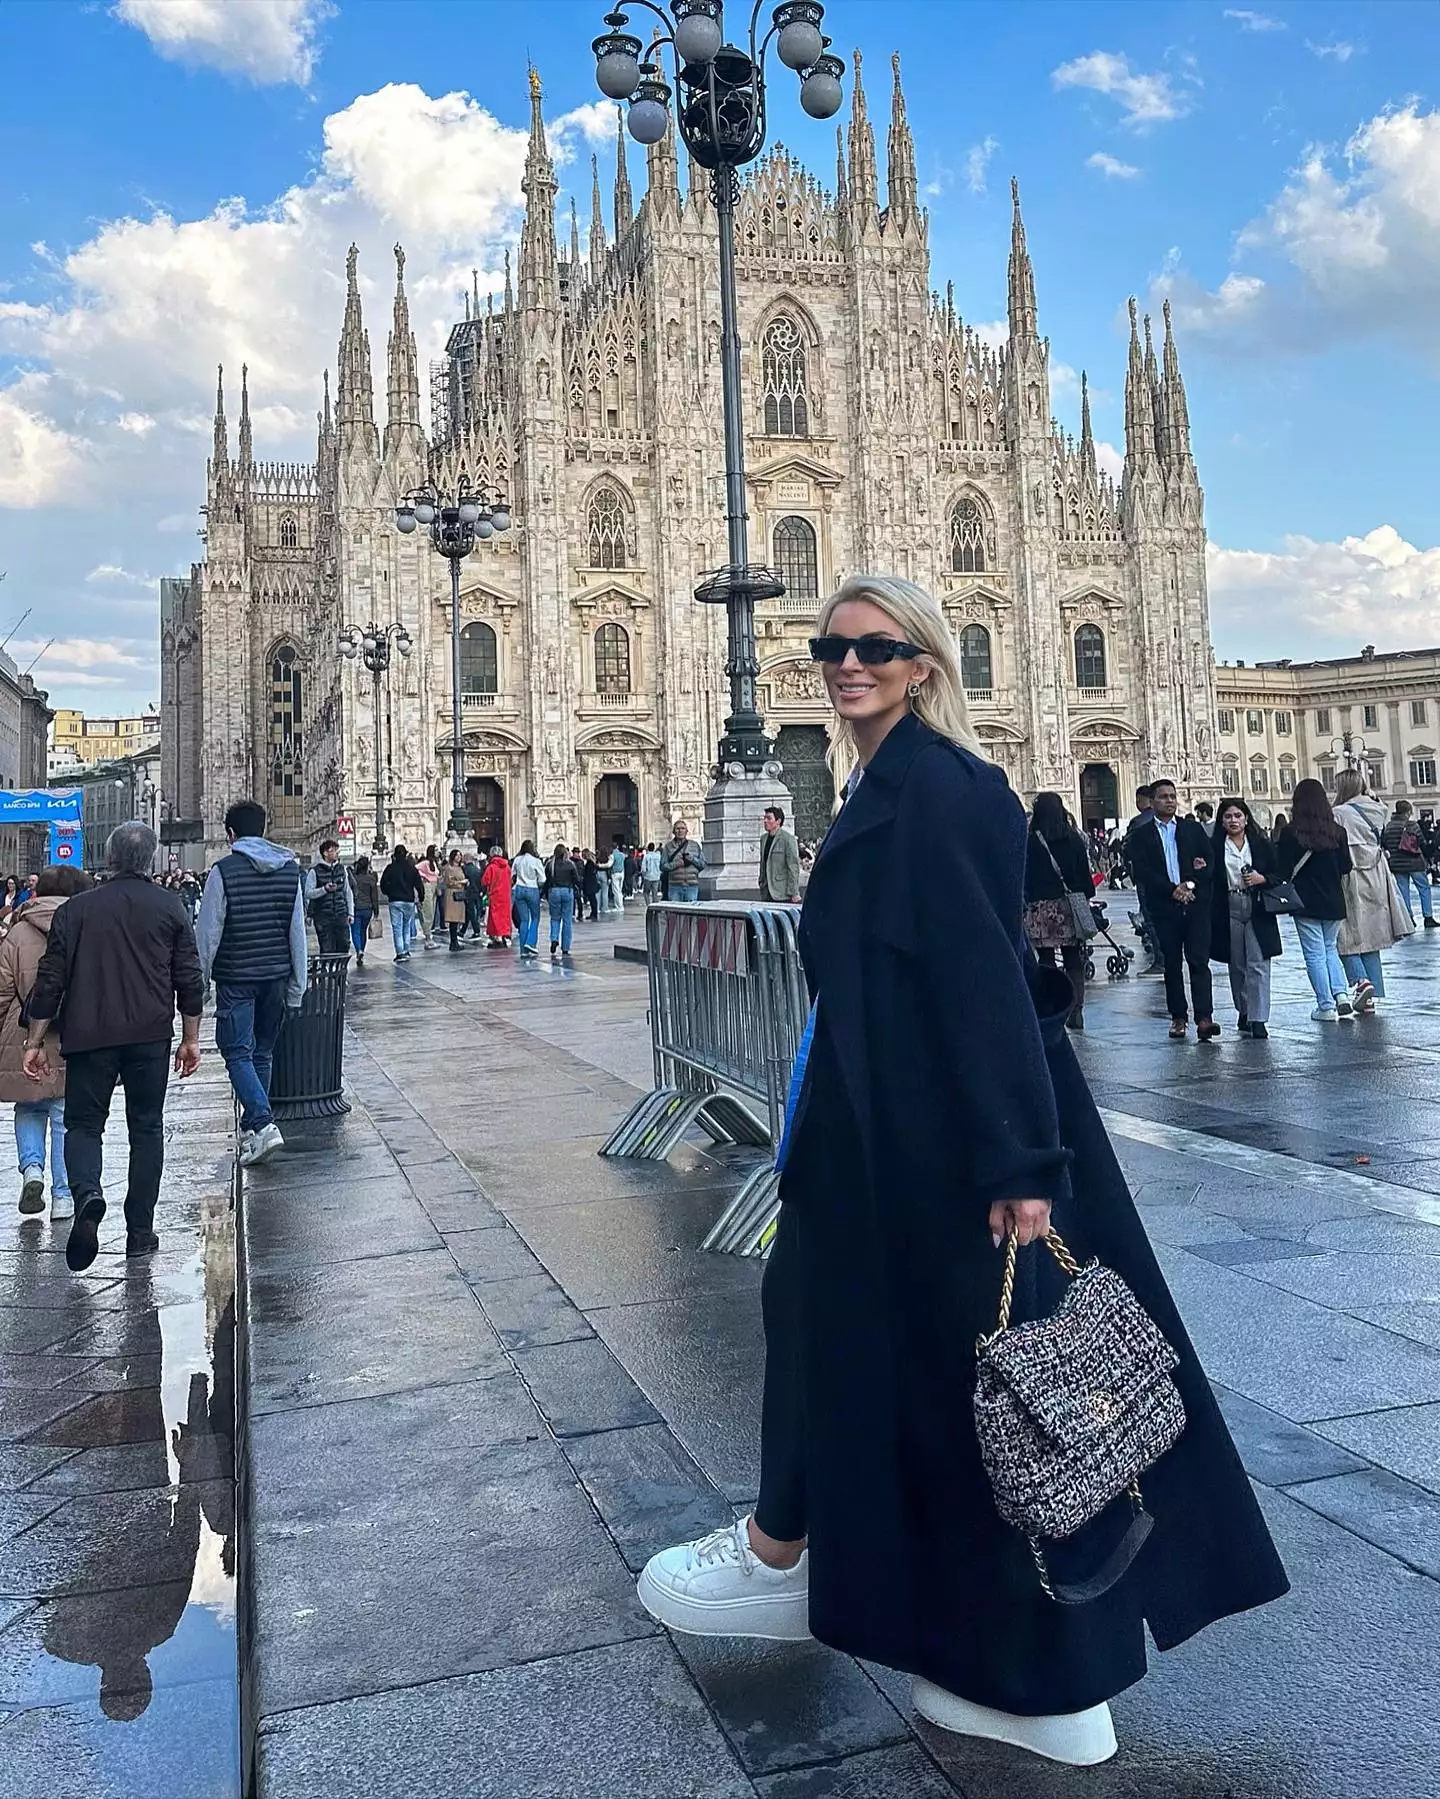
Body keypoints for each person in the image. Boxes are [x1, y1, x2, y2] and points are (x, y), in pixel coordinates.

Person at [637, 574, 1288, 1766]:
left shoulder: (940, 788)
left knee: (998, 1392)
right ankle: (818, 1557)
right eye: (832, 647)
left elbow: (989, 979)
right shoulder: (902, 781)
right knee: (864, 1344)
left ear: (923, 663)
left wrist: (1019, 1160)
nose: (848, 663)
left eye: (874, 646)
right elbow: (1023, 953)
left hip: (942, 1144)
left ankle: (1023, 1666)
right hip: (889, 1132)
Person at [24, 822, 205, 1270]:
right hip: (150, 1034)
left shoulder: (75, 910)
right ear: (150, 859)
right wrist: (191, 1038)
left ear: (109, 858)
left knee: (83, 1126)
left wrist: (35, 1040)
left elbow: (51, 979)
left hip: (90, 1035)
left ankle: (88, 1194)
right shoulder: (169, 905)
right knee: (146, 1128)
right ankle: (140, 1232)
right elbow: (189, 977)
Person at [196, 800, 308, 1168]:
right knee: (262, 1052)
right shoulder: (289, 871)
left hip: (237, 978)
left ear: (230, 834)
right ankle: (253, 1132)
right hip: (276, 978)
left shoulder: (223, 872)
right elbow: (297, 934)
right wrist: (298, 986)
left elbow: (208, 934)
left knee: (236, 1052)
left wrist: (201, 984)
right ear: (263, 828)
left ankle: (262, 1122)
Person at [0, 865, 94, 1220]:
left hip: (23, 1032)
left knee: (28, 1107)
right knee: (63, 1115)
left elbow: (2, 989)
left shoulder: (18, 931)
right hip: (71, 1028)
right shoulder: (84, 926)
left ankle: (32, 1170)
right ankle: (62, 1197)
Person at [1126, 779, 1217, 1040]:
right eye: (1163, 796)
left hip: (1194, 905)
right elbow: (1142, 871)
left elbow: (1209, 861)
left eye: (1172, 796)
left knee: (1199, 961)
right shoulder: (1141, 835)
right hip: (1164, 907)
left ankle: (1204, 1018)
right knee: (1172, 965)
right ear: (1152, 801)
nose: (1170, 801)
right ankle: (1178, 1017)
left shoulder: (1192, 829)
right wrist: (1171, 889)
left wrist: (1190, 885)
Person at [1275, 780, 1354, 1021]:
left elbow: (1282, 869)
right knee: (1330, 949)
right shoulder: (1337, 832)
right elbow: (1346, 866)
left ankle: (1326, 1005)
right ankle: (1342, 995)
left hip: (1305, 901)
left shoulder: (1291, 833)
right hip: (1333, 899)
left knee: (1314, 954)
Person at [1333, 767, 1408, 1012]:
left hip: (1351, 874)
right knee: (1371, 936)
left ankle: (1361, 981)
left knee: (1345, 933)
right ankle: (1370, 996)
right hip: (1376, 872)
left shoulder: (1339, 813)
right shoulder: (1379, 809)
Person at [1207, 797, 1281, 1038]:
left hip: (1257, 904)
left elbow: (1278, 873)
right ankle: (1244, 1009)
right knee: (1237, 964)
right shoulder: (1215, 846)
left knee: (1259, 962)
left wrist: (1262, 878)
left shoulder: (1260, 844)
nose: (1233, 820)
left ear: (1246, 819)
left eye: (1238, 816)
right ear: (1221, 821)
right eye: (1228, 816)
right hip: (1228, 905)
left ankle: (1259, 1018)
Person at [1023, 792, 1091, 1032]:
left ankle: (1054, 1009)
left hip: (1041, 908)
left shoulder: (1030, 841)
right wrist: (1085, 895)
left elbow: (1025, 877)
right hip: (1068, 907)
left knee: (1046, 960)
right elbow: (1084, 873)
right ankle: (1077, 1009)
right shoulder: (1073, 839)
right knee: (1073, 958)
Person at [1382, 797, 1437, 928]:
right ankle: (1428, 917)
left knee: (1403, 891)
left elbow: (1385, 843)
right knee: (1424, 888)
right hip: (1415, 862)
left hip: (1397, 864)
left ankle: (1408, 919)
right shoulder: (1412, 825)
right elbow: (1421, 843)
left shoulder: (1389, 826)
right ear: (1408, 812)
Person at [305, 839, 354, 957]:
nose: (337, 853)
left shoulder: (341, 869)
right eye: (334, 850)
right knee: (327, 948)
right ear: (325, 853)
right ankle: (329, 968)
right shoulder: (315, 871)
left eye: (337, 850)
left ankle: (341, 968)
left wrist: (350, 913)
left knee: (344, 945)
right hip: (323, 916)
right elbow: (308, 893)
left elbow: (347, 891)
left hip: (340, 914)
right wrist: (324, 889)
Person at [380, 845, 424, 962]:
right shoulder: (411, 868)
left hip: (395, 900)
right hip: (408, 900)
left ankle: (400, 952)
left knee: (397, 927)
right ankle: (406, 949)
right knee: (406, 925)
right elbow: (419, 885)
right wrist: (421, 898)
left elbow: (383, 883)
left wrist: (388, 892)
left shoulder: (390, 868)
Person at [760, 806, 802, 905]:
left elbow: (793, 867)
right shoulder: (763, 839)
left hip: (782, 892)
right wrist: (761, 882)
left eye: (769, 818)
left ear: (778, 821)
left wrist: (794, 892)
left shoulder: (788, 839)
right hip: (766, 892)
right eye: (764, 818)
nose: (765, 821)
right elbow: (763, 863)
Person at [511, 840, 546, 960]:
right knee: (535, 918)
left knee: (524, 920)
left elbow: (512, 875)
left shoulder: (517, 860)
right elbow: (542, 879)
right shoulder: (536, 861)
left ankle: (523, 950)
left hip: (519, 889)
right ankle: (530, 943)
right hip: (532, 888)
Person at [545, 842, 578, 959]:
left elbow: (546, 880)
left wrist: (546, 894)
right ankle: (565, 947)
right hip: (567, 891)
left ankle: (554, 939)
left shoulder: (550, 865)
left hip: (554, 891)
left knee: (555, 918)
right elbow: (576, 879)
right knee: (567, 920)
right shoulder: (570, 864)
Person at [662, 820, 706, 904]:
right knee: (674, 911)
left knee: (691, 910)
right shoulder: (668, 847)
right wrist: (677, 864)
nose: (680, 831)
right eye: (677, 829)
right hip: (674, 886)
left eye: (683, 828)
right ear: (673, 831)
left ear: (687, 831)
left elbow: (703, 864)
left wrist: (692, 859)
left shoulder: (695, 845)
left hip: (692, 886)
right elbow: (663, 866)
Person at [350, 855, 380, 966]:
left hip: (355, 908)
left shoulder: (353, 878)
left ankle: (358, 950)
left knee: (355, 931)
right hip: (367, 909)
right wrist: (376, 911)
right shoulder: (371, 879)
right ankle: (362, 949)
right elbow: (374, 896)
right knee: (363, 931)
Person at [481, 847, 513, 947]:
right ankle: (504, 935)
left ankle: (497, 936)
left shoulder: (491, 867)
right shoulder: (507, 867)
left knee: (495, 917)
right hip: (506, 895)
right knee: (505, 916)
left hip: (495, 895)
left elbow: (485, 881)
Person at [440, 849, 469, 951]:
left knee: (457, 919)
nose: (459, 857)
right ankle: (453, 942)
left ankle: (455, 941)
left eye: (460, 855)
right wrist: (461, 882)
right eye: (457, 855)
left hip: (460, 894)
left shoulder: (460, 868)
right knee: (453, 919)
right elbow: (449, 882)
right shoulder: (449, 868)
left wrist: (465, 883)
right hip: (452, 894)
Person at [416, 845, 441, 940]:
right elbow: (415, 869)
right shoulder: (425, 863)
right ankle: (427, 933)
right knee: (428, 911)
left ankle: (428, 931)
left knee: (433, 910)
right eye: (436, 850)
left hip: (434, 886)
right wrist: (424, 876)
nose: (438, 852)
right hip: (428, 886)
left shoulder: (434, 862)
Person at [579, 849, 600, 923]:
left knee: (592, 899)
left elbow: (588, 874)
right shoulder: (591, 863)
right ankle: (593, 913)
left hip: (590, 883)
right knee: (592, 899)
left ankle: (594, 914)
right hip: (592, 883)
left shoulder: (589, 864)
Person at [607, 839, 627, 914]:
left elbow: (609, 865)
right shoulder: (622, 855)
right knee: (619, 890)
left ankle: (618, 906)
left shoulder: (612, 856)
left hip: (615, 873)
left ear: (611, 848)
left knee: (616, 891)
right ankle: (621, 905)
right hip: (622, 873)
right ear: (617, 847)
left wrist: (601, 865)